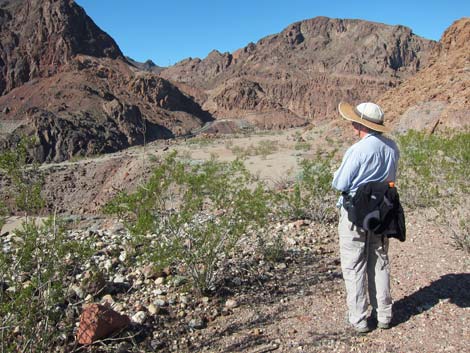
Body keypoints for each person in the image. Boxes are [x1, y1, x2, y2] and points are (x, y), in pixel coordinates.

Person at [332, 102, 400, 333]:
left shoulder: (358, 150)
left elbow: (340, 183)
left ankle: (359, 320)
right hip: (381, 212)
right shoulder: (392, 147)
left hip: (355, 213)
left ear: (360, 124)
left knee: (354, 265)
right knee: (379, 261)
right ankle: (384, 316)